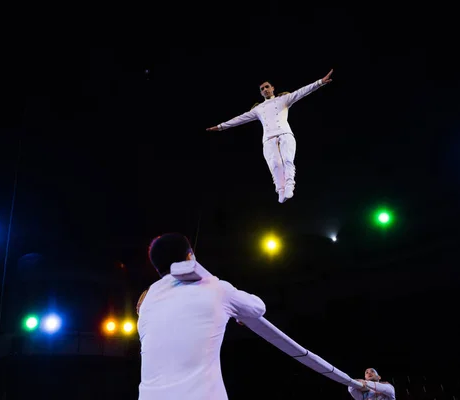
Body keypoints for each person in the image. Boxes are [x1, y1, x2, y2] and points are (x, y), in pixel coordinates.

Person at [136, 233, 266, 400]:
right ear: (190, 255)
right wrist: (239, 311)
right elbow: (258, 308)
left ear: (157, 267)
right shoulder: (216, 289)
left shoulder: (147, 301)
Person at [206, 69, 334, 203]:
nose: (265, 89)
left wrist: (320, 82)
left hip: (285, 134)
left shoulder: (283, 99)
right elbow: (239, 119)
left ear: (272, 88)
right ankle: (280, 189)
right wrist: (221, 126)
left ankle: (290, 185)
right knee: (275, 164)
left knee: (287, 160)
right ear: (261, 93)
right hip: (268, 138)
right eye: (262, 89)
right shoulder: (258, 109)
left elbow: (302, 92)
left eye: (267, 87)